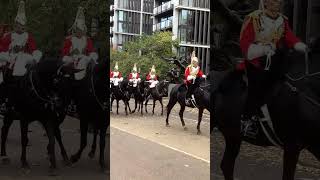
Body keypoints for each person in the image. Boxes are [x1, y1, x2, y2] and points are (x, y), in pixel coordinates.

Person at [238, 0, 307, 122]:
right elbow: (245, 42)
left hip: (275, 60)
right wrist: (264, 49)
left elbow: (289, 37)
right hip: (256, 60)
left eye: (279, 2)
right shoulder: (253, 18)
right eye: (274, 1)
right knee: (256, 85)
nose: (278, 4)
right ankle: (247, 117)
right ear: (266, 3)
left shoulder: (282, 20)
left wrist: (300, 46)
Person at [0, 1, 42, 77]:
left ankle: (22, 74)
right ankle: (16, 75)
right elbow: (2, 47)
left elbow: (33, 49)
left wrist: (35, 57)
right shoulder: (9, 36)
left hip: (23, 56)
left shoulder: (28, 36)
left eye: (22, 26)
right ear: (15, 25)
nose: (20, 28)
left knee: (26, 56)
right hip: (11, 55)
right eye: (18, 25)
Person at [61, 6, 98, 80]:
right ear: (75, 30)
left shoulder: (87, 40)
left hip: (84, 58)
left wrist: (86, 51)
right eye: (78, 30)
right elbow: (64, 52)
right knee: (66, 60)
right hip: (72, 58)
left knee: (91, 56)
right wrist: (72, 51)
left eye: (81, 30)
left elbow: (91, 51)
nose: (79, 32)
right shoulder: (69, 39)